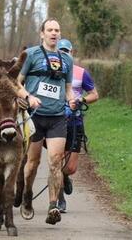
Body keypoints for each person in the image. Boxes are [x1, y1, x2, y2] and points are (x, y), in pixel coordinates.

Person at [16, 18, 76, 225]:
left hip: (57, 117)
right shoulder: (31, 55)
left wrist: (72, 100)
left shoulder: (67, 60)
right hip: (34, 117)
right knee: (32, 164)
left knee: (55, 161)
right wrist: (29, 98)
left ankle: (53, 207)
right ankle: (27, 196)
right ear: (42, 33)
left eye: (57, 30)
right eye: (49, 30)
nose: (54, 33)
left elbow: (67, 88)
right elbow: (16, 82)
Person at [55, 38, 99, 213]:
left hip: (75, 122)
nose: (64, 54)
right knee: (56, 160)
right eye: (61, 52)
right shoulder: (51, 73)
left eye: (67, 52)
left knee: (70, 168)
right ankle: (59, 198)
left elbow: (94, 95)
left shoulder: (81, 73)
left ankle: (65, 177)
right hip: (55, 122)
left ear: (71, 53)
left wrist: (81, 99)